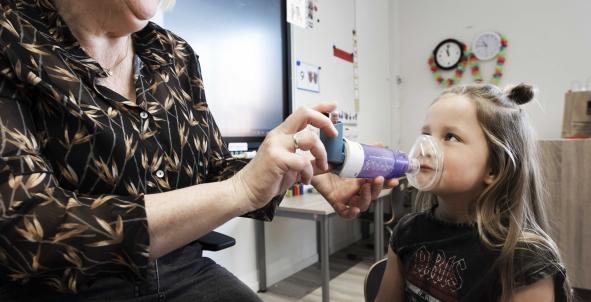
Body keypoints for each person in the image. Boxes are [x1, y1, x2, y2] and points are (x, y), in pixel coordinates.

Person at [0, 0, 397, 301]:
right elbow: (27, 231)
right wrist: (240, 189)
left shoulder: (173, 55)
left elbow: (212, 170)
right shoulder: (12, 37)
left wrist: (299, 168)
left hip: (180, 270)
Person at [375, 83, 572, 302]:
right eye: (426, 134)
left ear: (494, 168)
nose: (425, 148)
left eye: (450, 137)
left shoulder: (524, 261)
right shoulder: (407, 231)